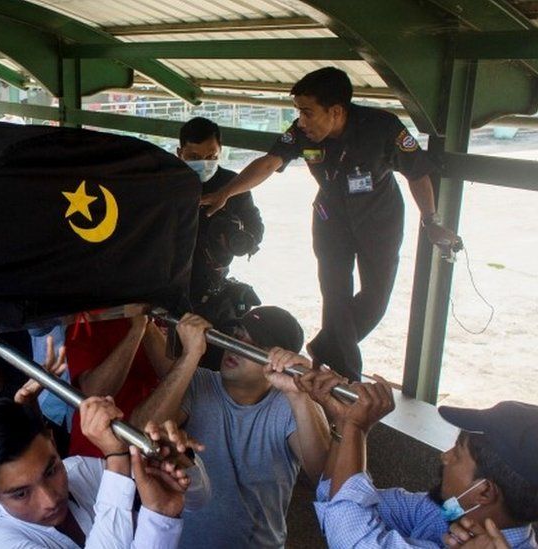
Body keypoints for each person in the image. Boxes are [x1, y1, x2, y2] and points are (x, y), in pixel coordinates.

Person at [200, 67, 461, 381]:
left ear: (336, 111)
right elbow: (270, 162)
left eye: (308, 113)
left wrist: (431, 220)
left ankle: (326, 347)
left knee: (376, 299)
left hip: (380, 219)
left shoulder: (383, 128)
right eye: (299, 113)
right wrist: (226, 193)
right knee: (335, 295)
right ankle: (344, 378)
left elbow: (418, 172)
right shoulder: (301, 133)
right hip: (330, 218)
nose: (302, 122)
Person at [131, 308, 331, 548]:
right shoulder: (199, 383)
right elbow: (138, 433)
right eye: (236, 336)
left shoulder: (290, 404)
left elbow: (325, 476)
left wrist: (300, 396)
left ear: (281, 360)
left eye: (254, 344)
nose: (237, 347)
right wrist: (190, 356)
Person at [298, 369, 537, 548]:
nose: (445, 457)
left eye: (457, 452)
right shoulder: (448, 512)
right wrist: (344, 425)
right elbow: (337, 500)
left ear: (484, 491)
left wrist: (356, 427)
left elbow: (351, 535)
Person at [0, 397, 193, 549]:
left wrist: (174, 462)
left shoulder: (79, 470)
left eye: (51, 471)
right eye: (20, 494)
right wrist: (118, 459)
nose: (50, 500)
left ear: (52, 440)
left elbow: (199, 499)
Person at [178, 118, 264, 340]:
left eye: (211, 157)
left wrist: (243, 240)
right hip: (172, 275)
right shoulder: (167, 182)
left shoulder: (233, 184)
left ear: (220, 151)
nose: (204, 163)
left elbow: (255, 226)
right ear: (180, 153)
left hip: (212, 278)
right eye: (194, 157)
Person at [65, 315, 173, 458]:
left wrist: (146, 323)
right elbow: (95, 393)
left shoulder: (153, 320)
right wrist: (136, 330)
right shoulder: (85, 322)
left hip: (148, 443)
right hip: (98, 452)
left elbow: (173, 375)